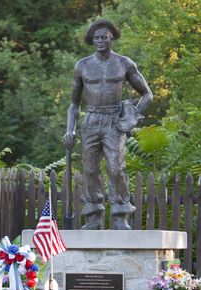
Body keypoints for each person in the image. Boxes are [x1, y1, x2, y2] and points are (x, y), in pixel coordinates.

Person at [64, 19, 153, 230]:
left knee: (116, 168)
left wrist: (132, 116)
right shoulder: (82, 66)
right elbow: (74, 104)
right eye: (96, 38)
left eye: (103, 36)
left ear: (110, 37)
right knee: (90, 169)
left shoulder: (124, 64)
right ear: (91, 40)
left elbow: (147, 94)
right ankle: (94, 216)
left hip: (114, 121)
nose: (100, 40)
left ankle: (121, 215)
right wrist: (70, 129)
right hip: (91, 120)